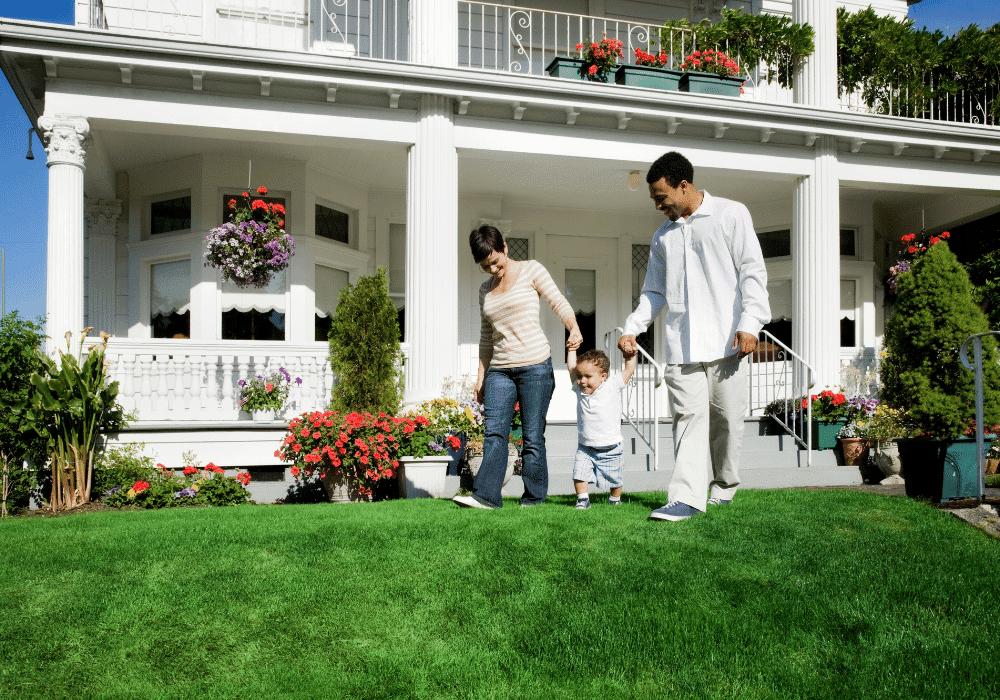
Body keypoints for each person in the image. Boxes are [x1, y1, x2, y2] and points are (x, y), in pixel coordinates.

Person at [619, 151, 770, 522]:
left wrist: (750, 323)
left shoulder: (731, 214)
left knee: (727, 422)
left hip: (728, 343)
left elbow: (752, 271)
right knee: (687, 420)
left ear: (683, 186)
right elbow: (654, 293)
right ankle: (685, 497)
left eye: (660, 196)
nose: (657, 206)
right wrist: (633, 326)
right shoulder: (662, 238)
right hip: (682, 347)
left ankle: (724, 487)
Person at [453, 225, 583, 510]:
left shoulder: (531, 270)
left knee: (532, 435)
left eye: (496, 262)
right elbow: (486, 337)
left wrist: (572, 326)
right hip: (500, 370)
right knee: (494, 433)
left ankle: (533, 498)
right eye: (485, 266)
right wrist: (481, 378)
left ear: (505, 248)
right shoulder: (484, 291)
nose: (493, 270)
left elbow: (557, 300)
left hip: (535, 365)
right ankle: (486, 496)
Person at [568, 347, 637, 509]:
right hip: (586, 447)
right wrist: (571, 349)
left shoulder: (612, 385)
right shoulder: (580, 389)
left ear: (603, 377)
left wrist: (630, 356)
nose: (582, 381)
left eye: (588, 376)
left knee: (615, 477)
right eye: (580, 377)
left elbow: (629, 369)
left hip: (611, 446)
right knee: (579, 473)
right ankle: (583, 499)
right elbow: (571, 369)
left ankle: (614, 498)